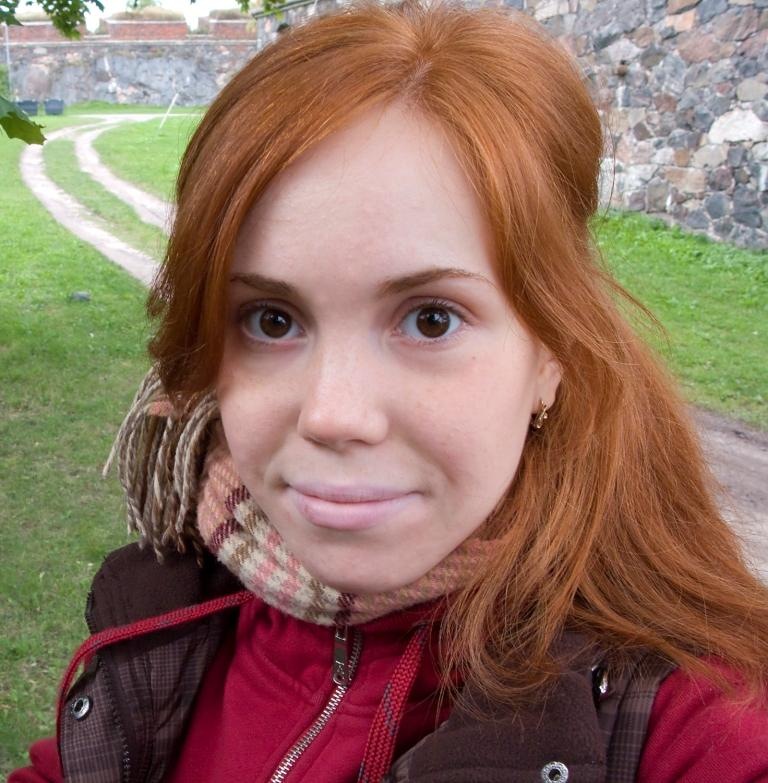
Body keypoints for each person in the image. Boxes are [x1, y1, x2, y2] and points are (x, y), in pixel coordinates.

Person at [11, 1, 768, 781]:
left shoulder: (697, 725)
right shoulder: (178, 598)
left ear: (551, 353)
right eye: (271, 320)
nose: (333, 415)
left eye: (431, 319)